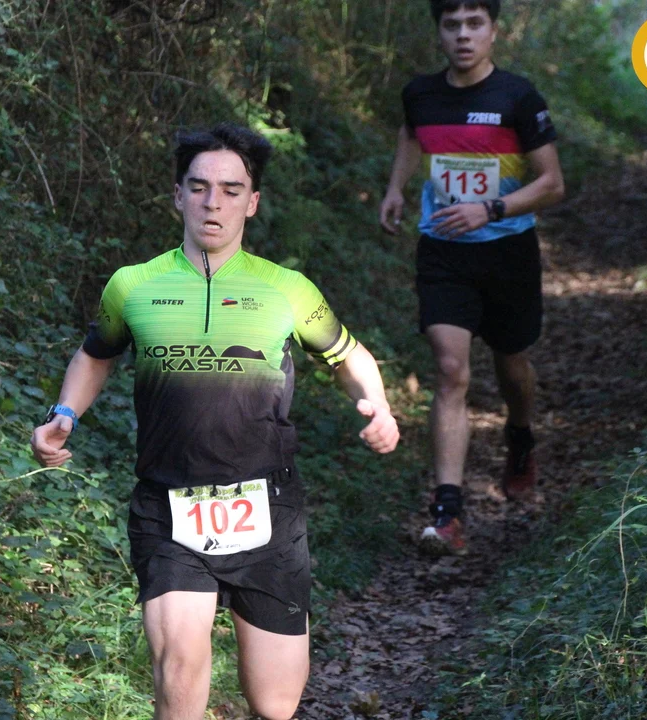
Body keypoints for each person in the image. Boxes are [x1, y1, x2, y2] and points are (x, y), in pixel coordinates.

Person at [32, 122, 399, 720]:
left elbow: (349, 354)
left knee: (274, 704)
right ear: (178, 195)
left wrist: (377, 403)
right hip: (168, 503)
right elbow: (95, 354)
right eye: (200, 187)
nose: (214, 203)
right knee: (179, 665)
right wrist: (64, 412)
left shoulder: (286, 289)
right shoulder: (134, 285)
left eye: (231, 190)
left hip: (267, 506)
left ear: (252, 203)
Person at [379, 0, 565, 556]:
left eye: (474, 24)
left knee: (512, 361)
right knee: (450, 368)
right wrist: (395, 188)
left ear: (493, 32)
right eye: (452, 24)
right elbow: (412, 135)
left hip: (508, 252)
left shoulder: (518, 98)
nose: (463, 35)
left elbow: (552, 183)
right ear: (439, 32)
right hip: (444, 252)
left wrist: (491, 209)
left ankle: (520, 435)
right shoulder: (420, 94)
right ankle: (448, 513)